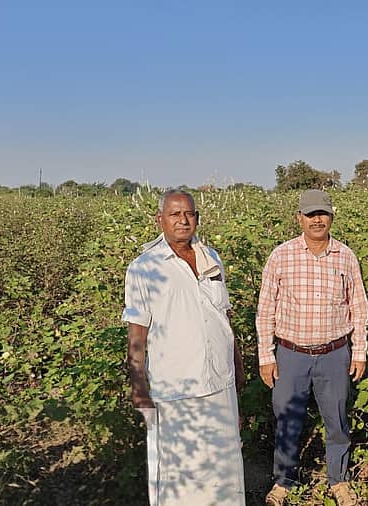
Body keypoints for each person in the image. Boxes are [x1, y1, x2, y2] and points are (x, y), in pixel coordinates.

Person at [122, 188, 246, 505]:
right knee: (181, 471)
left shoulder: (211, 257)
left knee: (222, 465)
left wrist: (238, 365)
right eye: (175, 214)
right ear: (160, 220)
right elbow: (137, 332)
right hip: (175, 386)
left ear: (197, 219)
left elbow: (224, 318)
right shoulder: (144, 267)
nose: (183, 220)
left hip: (219, 380)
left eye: (189, 213)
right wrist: (139, 385)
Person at [256, 189, 368, 506]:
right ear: (299, 219)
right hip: (291, 354)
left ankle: (339, 481)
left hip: (334, 354)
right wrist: (267, 356)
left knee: (336, 421)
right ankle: (284, 482)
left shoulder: (345, 256)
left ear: (331, 217)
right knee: (287, 421)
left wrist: (358, 351)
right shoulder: (282, 255)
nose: (317, 220)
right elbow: (265, 309)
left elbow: (358, 306)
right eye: (310, 215)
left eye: (322, 213)